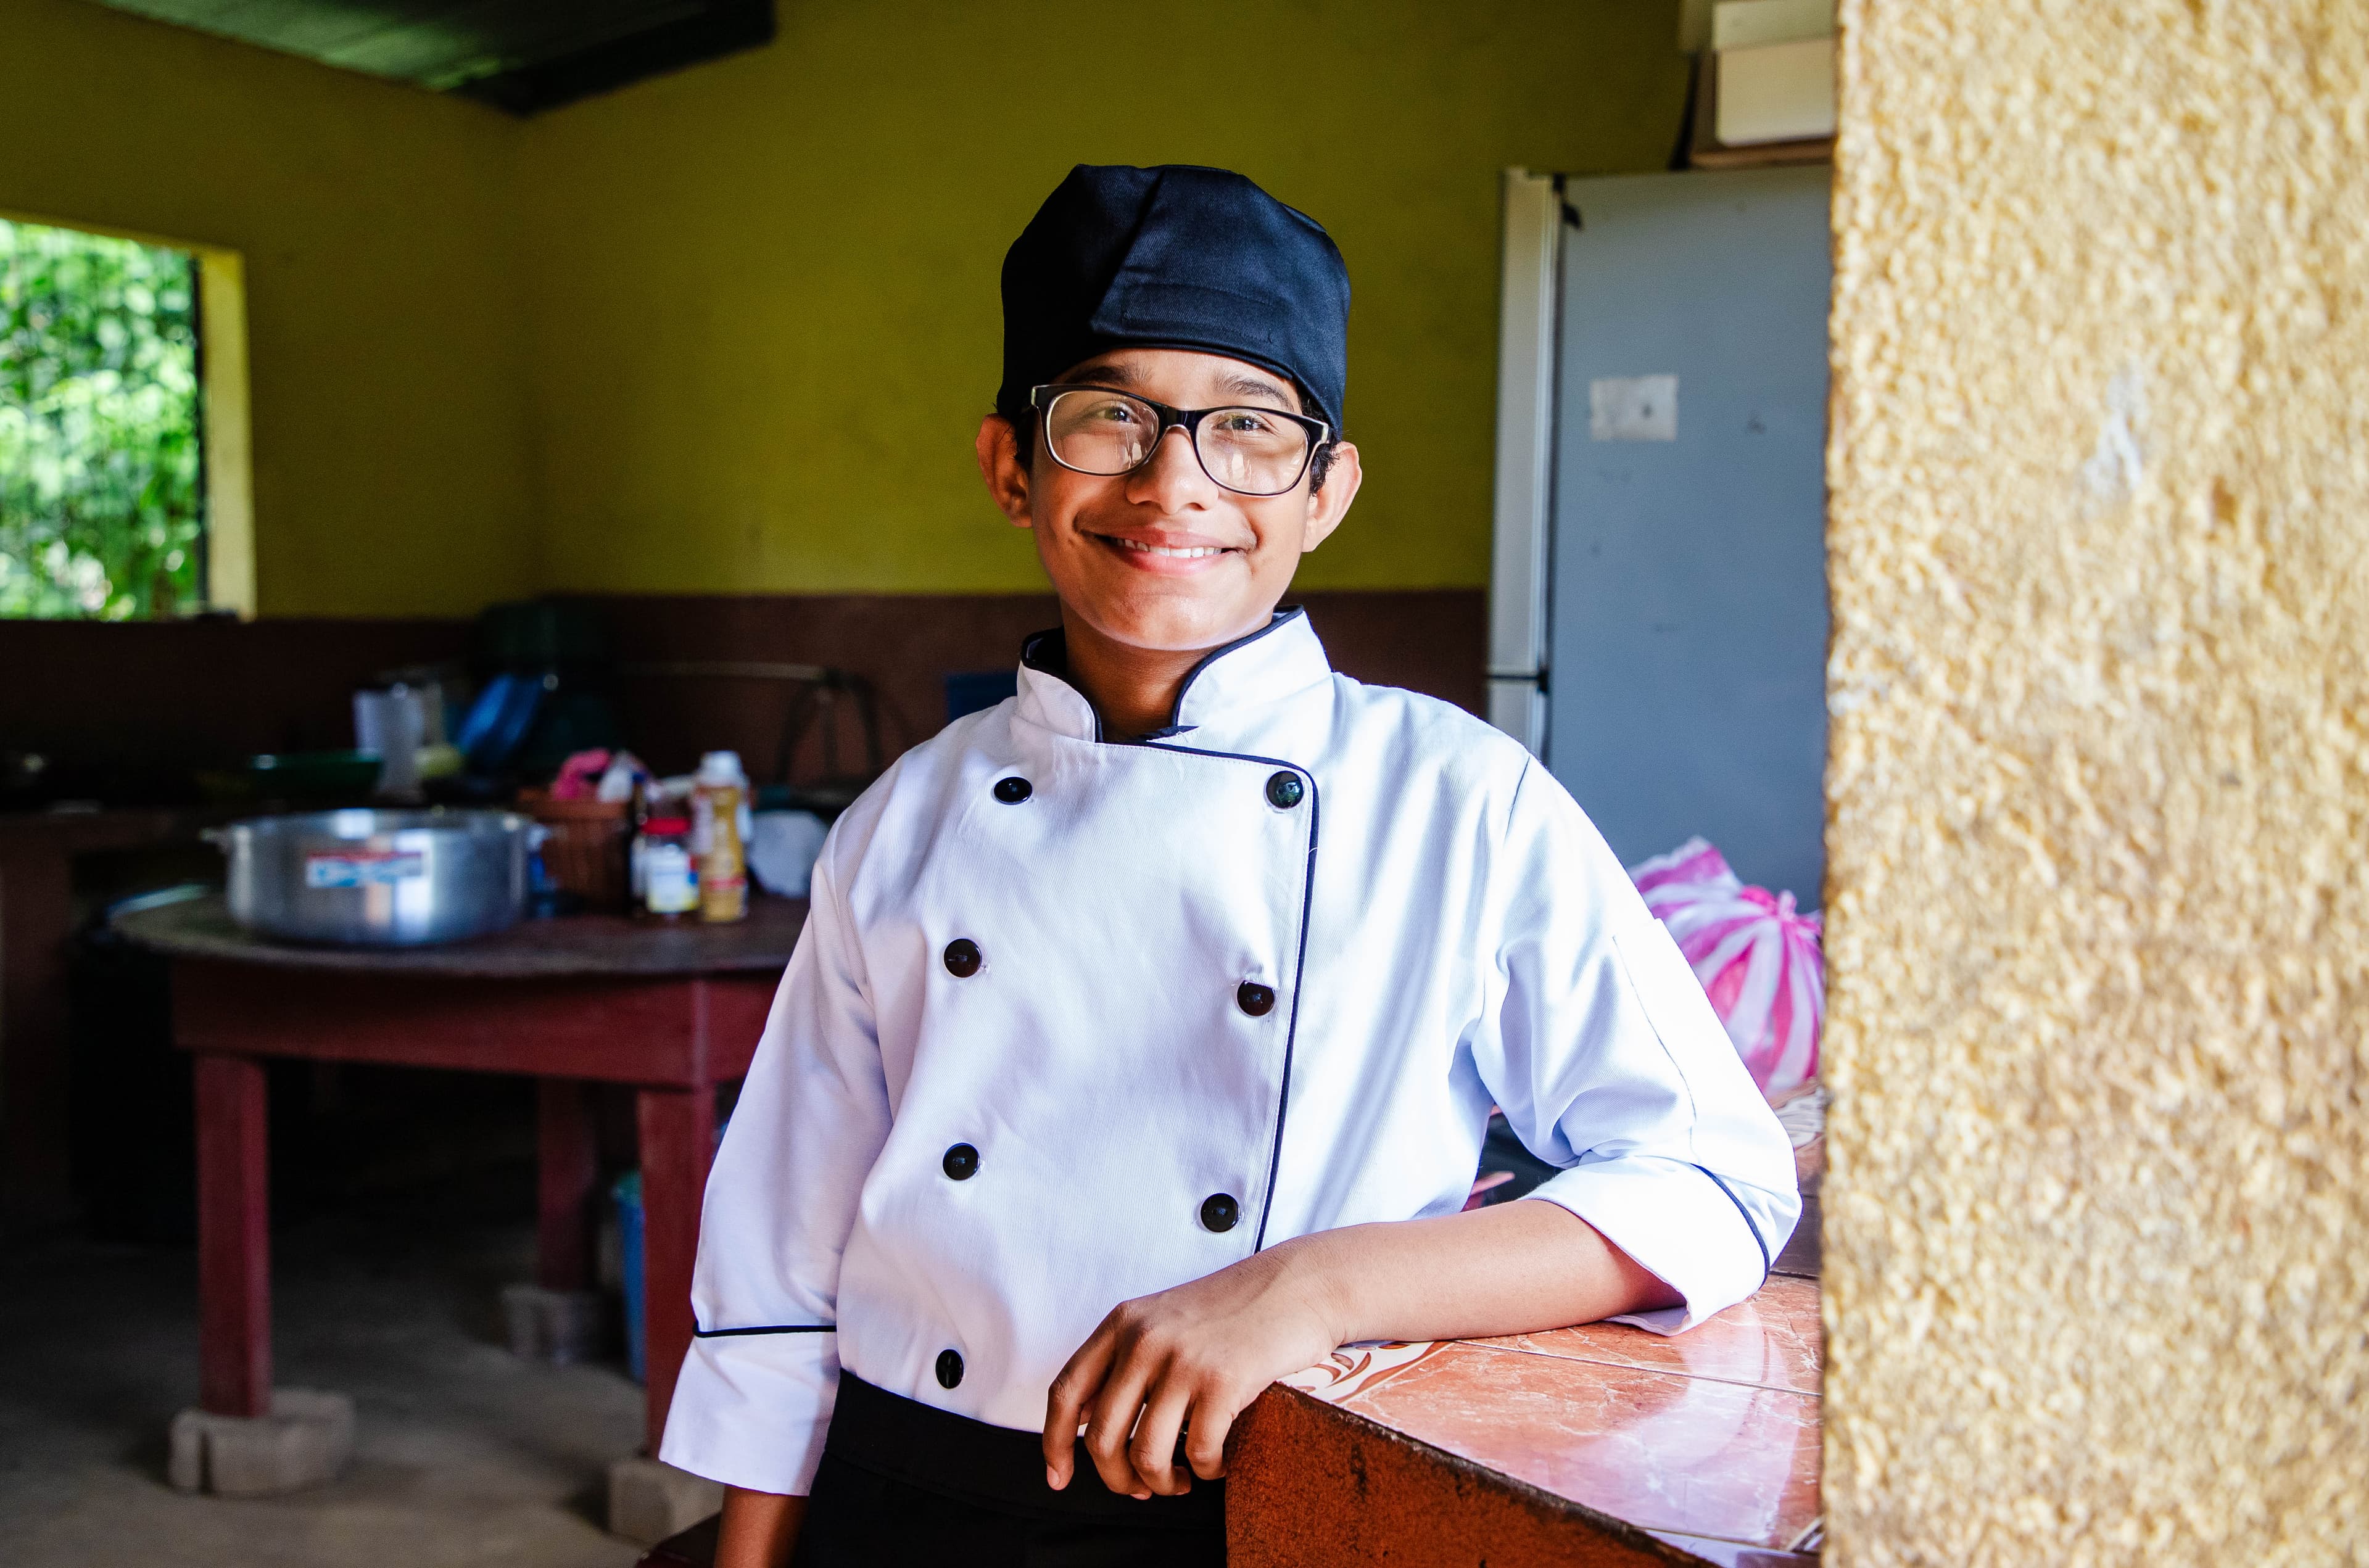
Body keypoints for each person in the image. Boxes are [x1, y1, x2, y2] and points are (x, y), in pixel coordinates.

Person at [661, 163, 1799, 1568]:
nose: (1174, 483)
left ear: (1326, 491)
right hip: (901, 1494)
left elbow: (1715, 1182)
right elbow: (783, 1259)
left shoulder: (1457, 798)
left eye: (1249, 426)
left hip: (1255, 1504)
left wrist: (1310, 1287)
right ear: (1012, 466)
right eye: (1109, 416)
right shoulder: (903, 818)